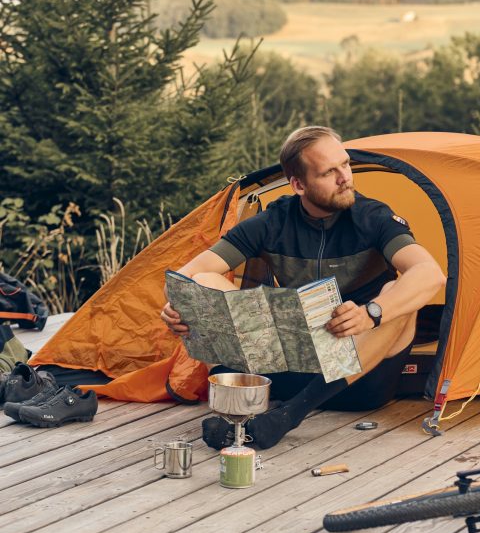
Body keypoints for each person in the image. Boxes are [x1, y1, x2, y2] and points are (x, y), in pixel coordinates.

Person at [161, 126, 445, 449]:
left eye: (346, 164)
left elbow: (430, 273)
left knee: (400, 294)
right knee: (202, 284)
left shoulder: (372, 217)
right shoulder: (274, 221)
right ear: (298, 184)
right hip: (293, 368)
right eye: (329, 172)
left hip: (360, 379)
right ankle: (236, 410)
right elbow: (186, 276)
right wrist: (175, 305)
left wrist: (370, 314)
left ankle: (287, 416)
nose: (345, 178)